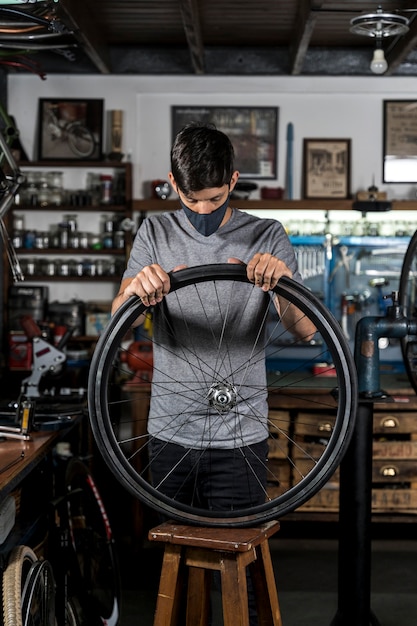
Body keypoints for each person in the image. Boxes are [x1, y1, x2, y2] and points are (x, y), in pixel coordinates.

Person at [112, 122, 316, 623]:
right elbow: (116, 328)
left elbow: (307, 328)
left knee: (236, 578)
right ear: (172, 184)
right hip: (170, 434)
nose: (204, 211)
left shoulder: (266, 234)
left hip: (241, 436)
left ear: (234, 180)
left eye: (215, 197)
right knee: (177, 573)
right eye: (192, 199)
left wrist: (282, 284)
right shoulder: (155, 232)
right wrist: (136, 291)